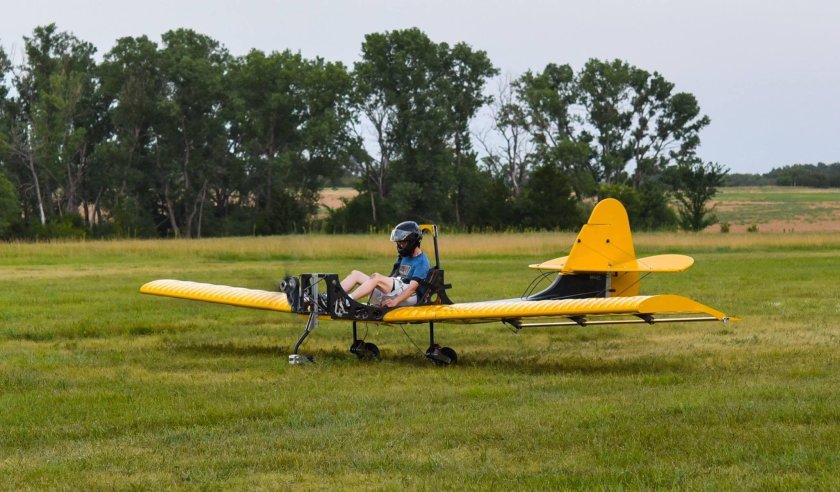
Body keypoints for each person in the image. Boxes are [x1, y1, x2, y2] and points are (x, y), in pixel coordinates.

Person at [340, 221, 431, 308]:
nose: (399, 245)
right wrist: (378, 284)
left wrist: (395, 301)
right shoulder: (404, 257)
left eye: (402, 242)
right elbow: (393, 277)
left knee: (376, 278)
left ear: (412, 241)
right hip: (397, 290)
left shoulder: (422, 262)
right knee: (356, 274)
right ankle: (331, 298)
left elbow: (412, 289)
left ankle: (346, 302)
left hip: (410, 296)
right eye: (398, 243)